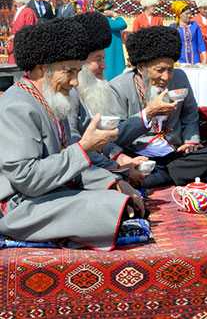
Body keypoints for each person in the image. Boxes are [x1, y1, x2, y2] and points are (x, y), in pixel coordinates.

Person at [0, 18, 144, 250]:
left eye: (77, 71)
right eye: (68, 72)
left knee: (117, 196)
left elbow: (69, 167)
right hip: (21, 205)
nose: (75, 82)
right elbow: (28, 180)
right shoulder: (16, 106)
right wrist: (84, 148)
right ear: (40, 68)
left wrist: (112, 181)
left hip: (50, 193)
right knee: (108, 207)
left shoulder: (54, 100)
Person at [108, 26, 207, 188]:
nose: (166, 77)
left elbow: (190, 113)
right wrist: (147, 114)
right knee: (119, 166)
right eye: (160, 70)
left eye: (170, 69)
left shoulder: (180, 77)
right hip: (137, 155)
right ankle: (165, 175)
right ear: (141, 67)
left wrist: (190, 141)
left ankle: (154, 177)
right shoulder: (118, 87)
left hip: (173, 152)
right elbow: (115, 137)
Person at [69, 12, 150, 186]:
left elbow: (102, 139)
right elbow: (78, 148)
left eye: (104, 58)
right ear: (79, 63)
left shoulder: (95, 90)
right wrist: (117, 166)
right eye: (97, 59)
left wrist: (121, 158)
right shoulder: (67, 96)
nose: (103, 66)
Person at [93, 0, 127, 80]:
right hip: (111, 52)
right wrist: (115, 14)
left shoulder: (100, 19)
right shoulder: (106, 20)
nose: (112, 9)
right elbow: (123, 24)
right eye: (110, 8)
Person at [6, 0, 37, 64]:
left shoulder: (28, 11)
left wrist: (14, 36)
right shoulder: (19, 10)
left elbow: (29, 31)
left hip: (21, 47)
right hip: (15, 46)